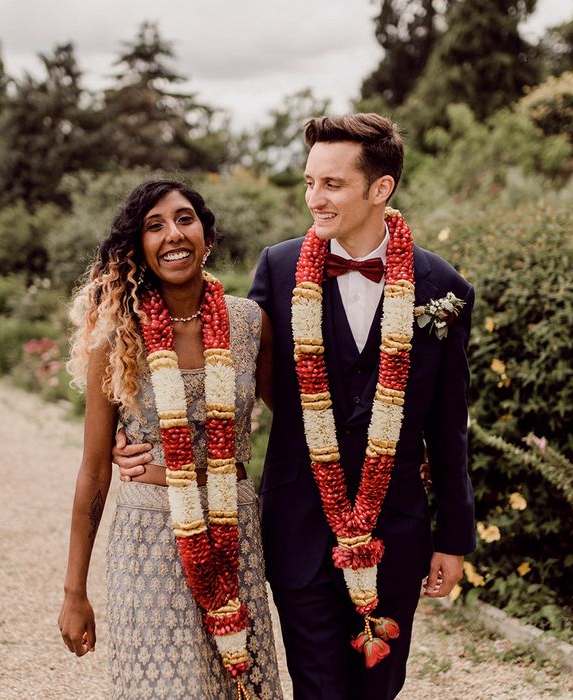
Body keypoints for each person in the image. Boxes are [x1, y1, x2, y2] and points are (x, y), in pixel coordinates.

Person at [115, 114, 476, 699]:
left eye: (331, 184)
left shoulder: (443, 288)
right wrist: (140, 428)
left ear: (379, 189)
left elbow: (449, 426)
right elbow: (220, 369)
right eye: (309, 182)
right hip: (299, 524)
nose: (314, 198)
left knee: (379, 688)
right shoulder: (279, 269)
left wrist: (453, 537)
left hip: (397, 530)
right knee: (316, 687)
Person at [58, 179, 283, 700]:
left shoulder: (249, 322)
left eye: (184, 219)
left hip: (236, 526)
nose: (173, 234)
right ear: (138, 246)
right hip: (149, 535)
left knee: (241, 684)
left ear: (205, 232)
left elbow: (299, 416)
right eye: (154, 226)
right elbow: (94, 469)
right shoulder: (118, 334)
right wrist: (75, 592)